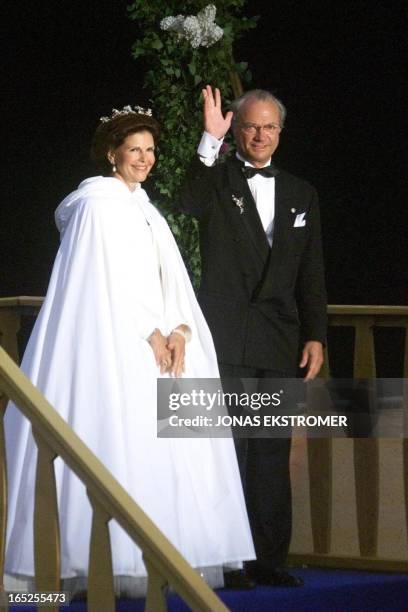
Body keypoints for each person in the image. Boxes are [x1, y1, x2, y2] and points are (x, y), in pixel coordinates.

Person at [4, 106, 255, 597]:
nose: (144, 158)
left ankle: (161, 555)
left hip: (163, 342)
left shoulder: (146, 208)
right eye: (135, 149)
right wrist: (148, 331)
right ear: (112, 153)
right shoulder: (98, 203)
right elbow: (101, 277)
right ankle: (96, 560)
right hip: (120, 342)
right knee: (118, 436)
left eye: (150, 150)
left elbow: (170, 279)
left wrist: (180, 327)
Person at [179, 86, 327, 587]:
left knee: (270, 448)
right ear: (235, 130)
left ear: (280, 133)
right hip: (227, 334)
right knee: (230, 446)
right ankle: (232, 561)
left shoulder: (301, 192)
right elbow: (185, 202)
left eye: (269, 127)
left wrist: (316, 334)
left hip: (281, 337)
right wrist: (208, 141)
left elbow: (311, 271)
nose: (260, 135)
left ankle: (270, 559)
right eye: (249, 126)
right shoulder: (217, 178)